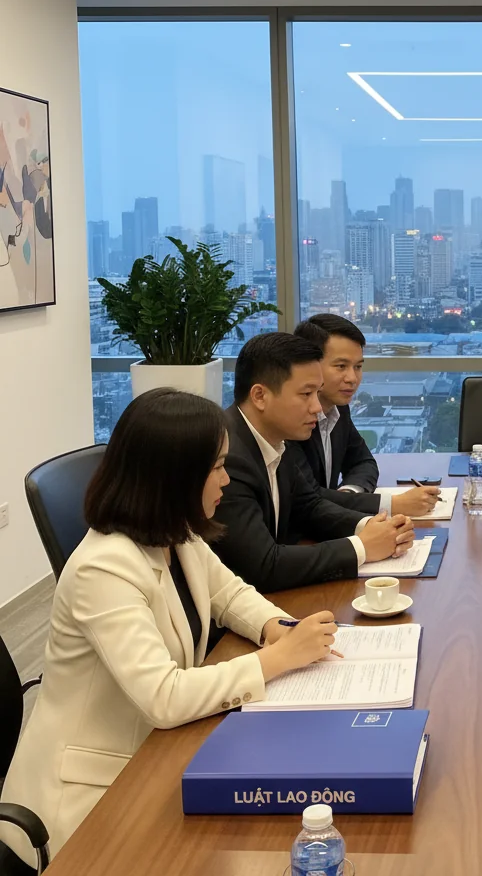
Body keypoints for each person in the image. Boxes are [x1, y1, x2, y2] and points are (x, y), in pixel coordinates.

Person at [0, 389, 342, 865]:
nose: (227, 477)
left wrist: (276, 627)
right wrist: (276, 659)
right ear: (174, 476)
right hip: (90, 798)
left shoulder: (174, 532)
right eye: (217, 466)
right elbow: (164, 696)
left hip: (157, 752)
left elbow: (229, 593)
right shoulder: (103, 568)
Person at [212, 333, 415, 592]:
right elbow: (262, 565)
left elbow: (309, 507)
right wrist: (361, 547)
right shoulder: (227, 456)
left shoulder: (274, 439)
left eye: (317, 394)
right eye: (306, 394)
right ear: (260, 396)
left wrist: (373, 528)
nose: (317, 407)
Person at [291, 314, 441, 518]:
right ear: (310, 365)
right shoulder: (290, 419)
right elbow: (307, 497)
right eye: (341, 366)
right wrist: (392, 504)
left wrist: (349, 494)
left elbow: (363, 462)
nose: (352, 378)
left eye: (358, 367)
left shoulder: (338, 408)